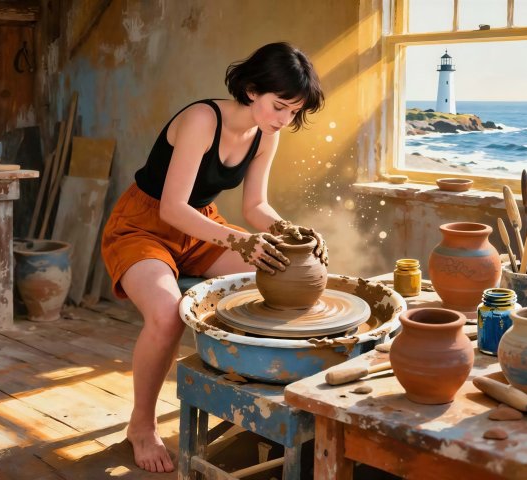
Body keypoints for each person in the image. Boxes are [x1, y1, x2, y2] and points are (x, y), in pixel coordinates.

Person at [101, 41, 328, 473]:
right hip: (142, 225)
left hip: (202, 225)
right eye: (280, 107)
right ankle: (141, 425)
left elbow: (255, 207)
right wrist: (238, 241)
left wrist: (289, 231)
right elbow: (171, 207)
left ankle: (256, 405)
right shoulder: (202, 119)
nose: (285, 120)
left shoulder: (266, 135)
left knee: (282, 271)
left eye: (294, 112)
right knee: (167, 315)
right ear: (250, 89)